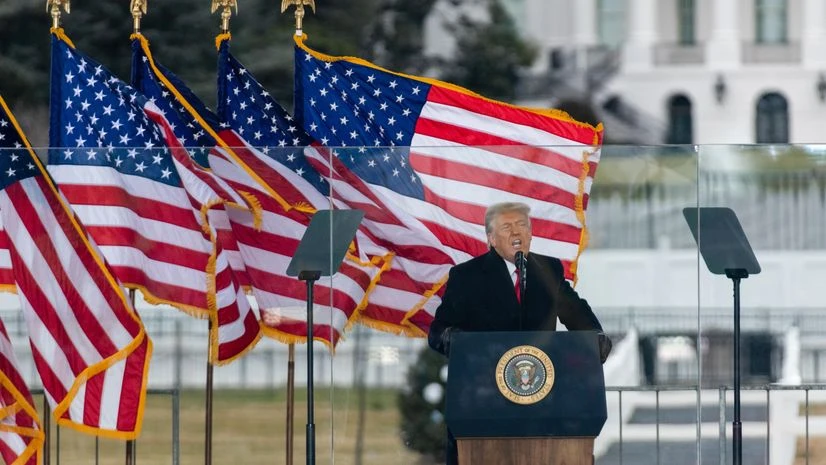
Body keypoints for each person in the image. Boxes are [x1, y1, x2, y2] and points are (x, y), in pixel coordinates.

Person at [427, 201, 612, 465]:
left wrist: (595, 336)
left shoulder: (549, 270)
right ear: (491, 238)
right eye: (507, 227)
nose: (516, 233)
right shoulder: (467, 276)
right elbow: (438, 330)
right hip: (483, 404)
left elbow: (574, 310)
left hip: (543, 405)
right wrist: (454, 339)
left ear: (531, 233)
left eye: (522, 225)